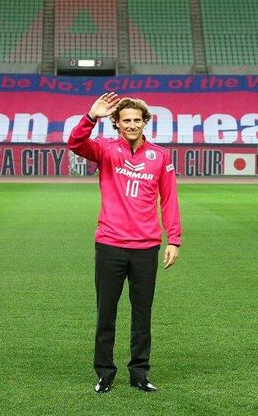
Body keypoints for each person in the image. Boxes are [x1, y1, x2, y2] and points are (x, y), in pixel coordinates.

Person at [68, 92, 182, 393]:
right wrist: (91, 117)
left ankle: (139, 373)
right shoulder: (105, 150)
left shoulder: (160, 156)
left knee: (142, 315)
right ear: (116, 124)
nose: (132, 124)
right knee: (106, 313)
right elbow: (76, 144)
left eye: (137, 120)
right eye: (126, 120)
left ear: (145, 123)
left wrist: (174, 239)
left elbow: (169, 200)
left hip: (146, 247)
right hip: (110, 245)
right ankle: (104, 374)